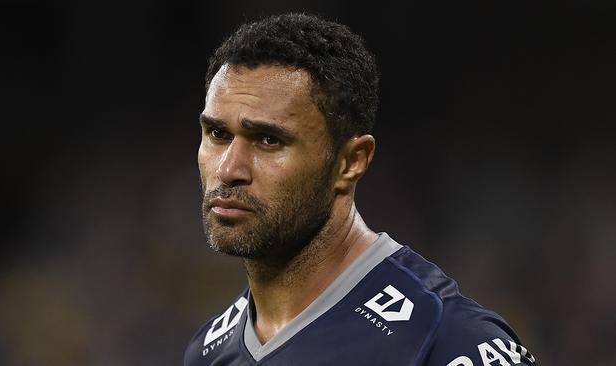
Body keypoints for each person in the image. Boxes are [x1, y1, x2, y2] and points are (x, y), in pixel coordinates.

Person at [184, 13, 536, 366]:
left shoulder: (444, 340)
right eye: (218, 134)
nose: (229, 169)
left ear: (351, 162)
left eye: (268, 140)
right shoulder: (209, 351)